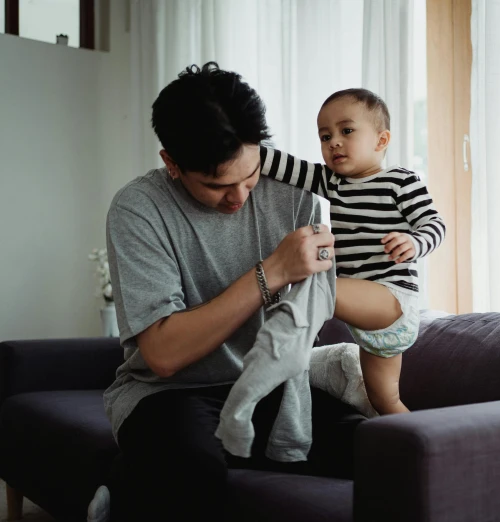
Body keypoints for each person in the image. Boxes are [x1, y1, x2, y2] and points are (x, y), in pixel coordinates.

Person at [88, 62, 361, 522]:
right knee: (192, 467)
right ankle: (131, 489)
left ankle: (129, 484)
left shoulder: (296, 189)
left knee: (375, 449)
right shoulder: (138, 209)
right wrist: (271, 271)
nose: (240, 197)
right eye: (217, 185)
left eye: (250, 175)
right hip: (168, 394)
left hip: (267, 384)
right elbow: (163, 354)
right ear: (171, 163)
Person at [257, 88, 446, 416]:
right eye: (325, 136)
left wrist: (415, 243)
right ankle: (424, 449)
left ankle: (281, 346)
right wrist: (239, 147)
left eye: (346, 131)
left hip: (391, 300)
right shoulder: (332, 182)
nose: (334, 142)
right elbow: (281, 166)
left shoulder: (400, 182)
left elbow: (434, 224)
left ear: (381, 140)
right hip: (370, 327)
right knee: (383, 402)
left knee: (316, 285)